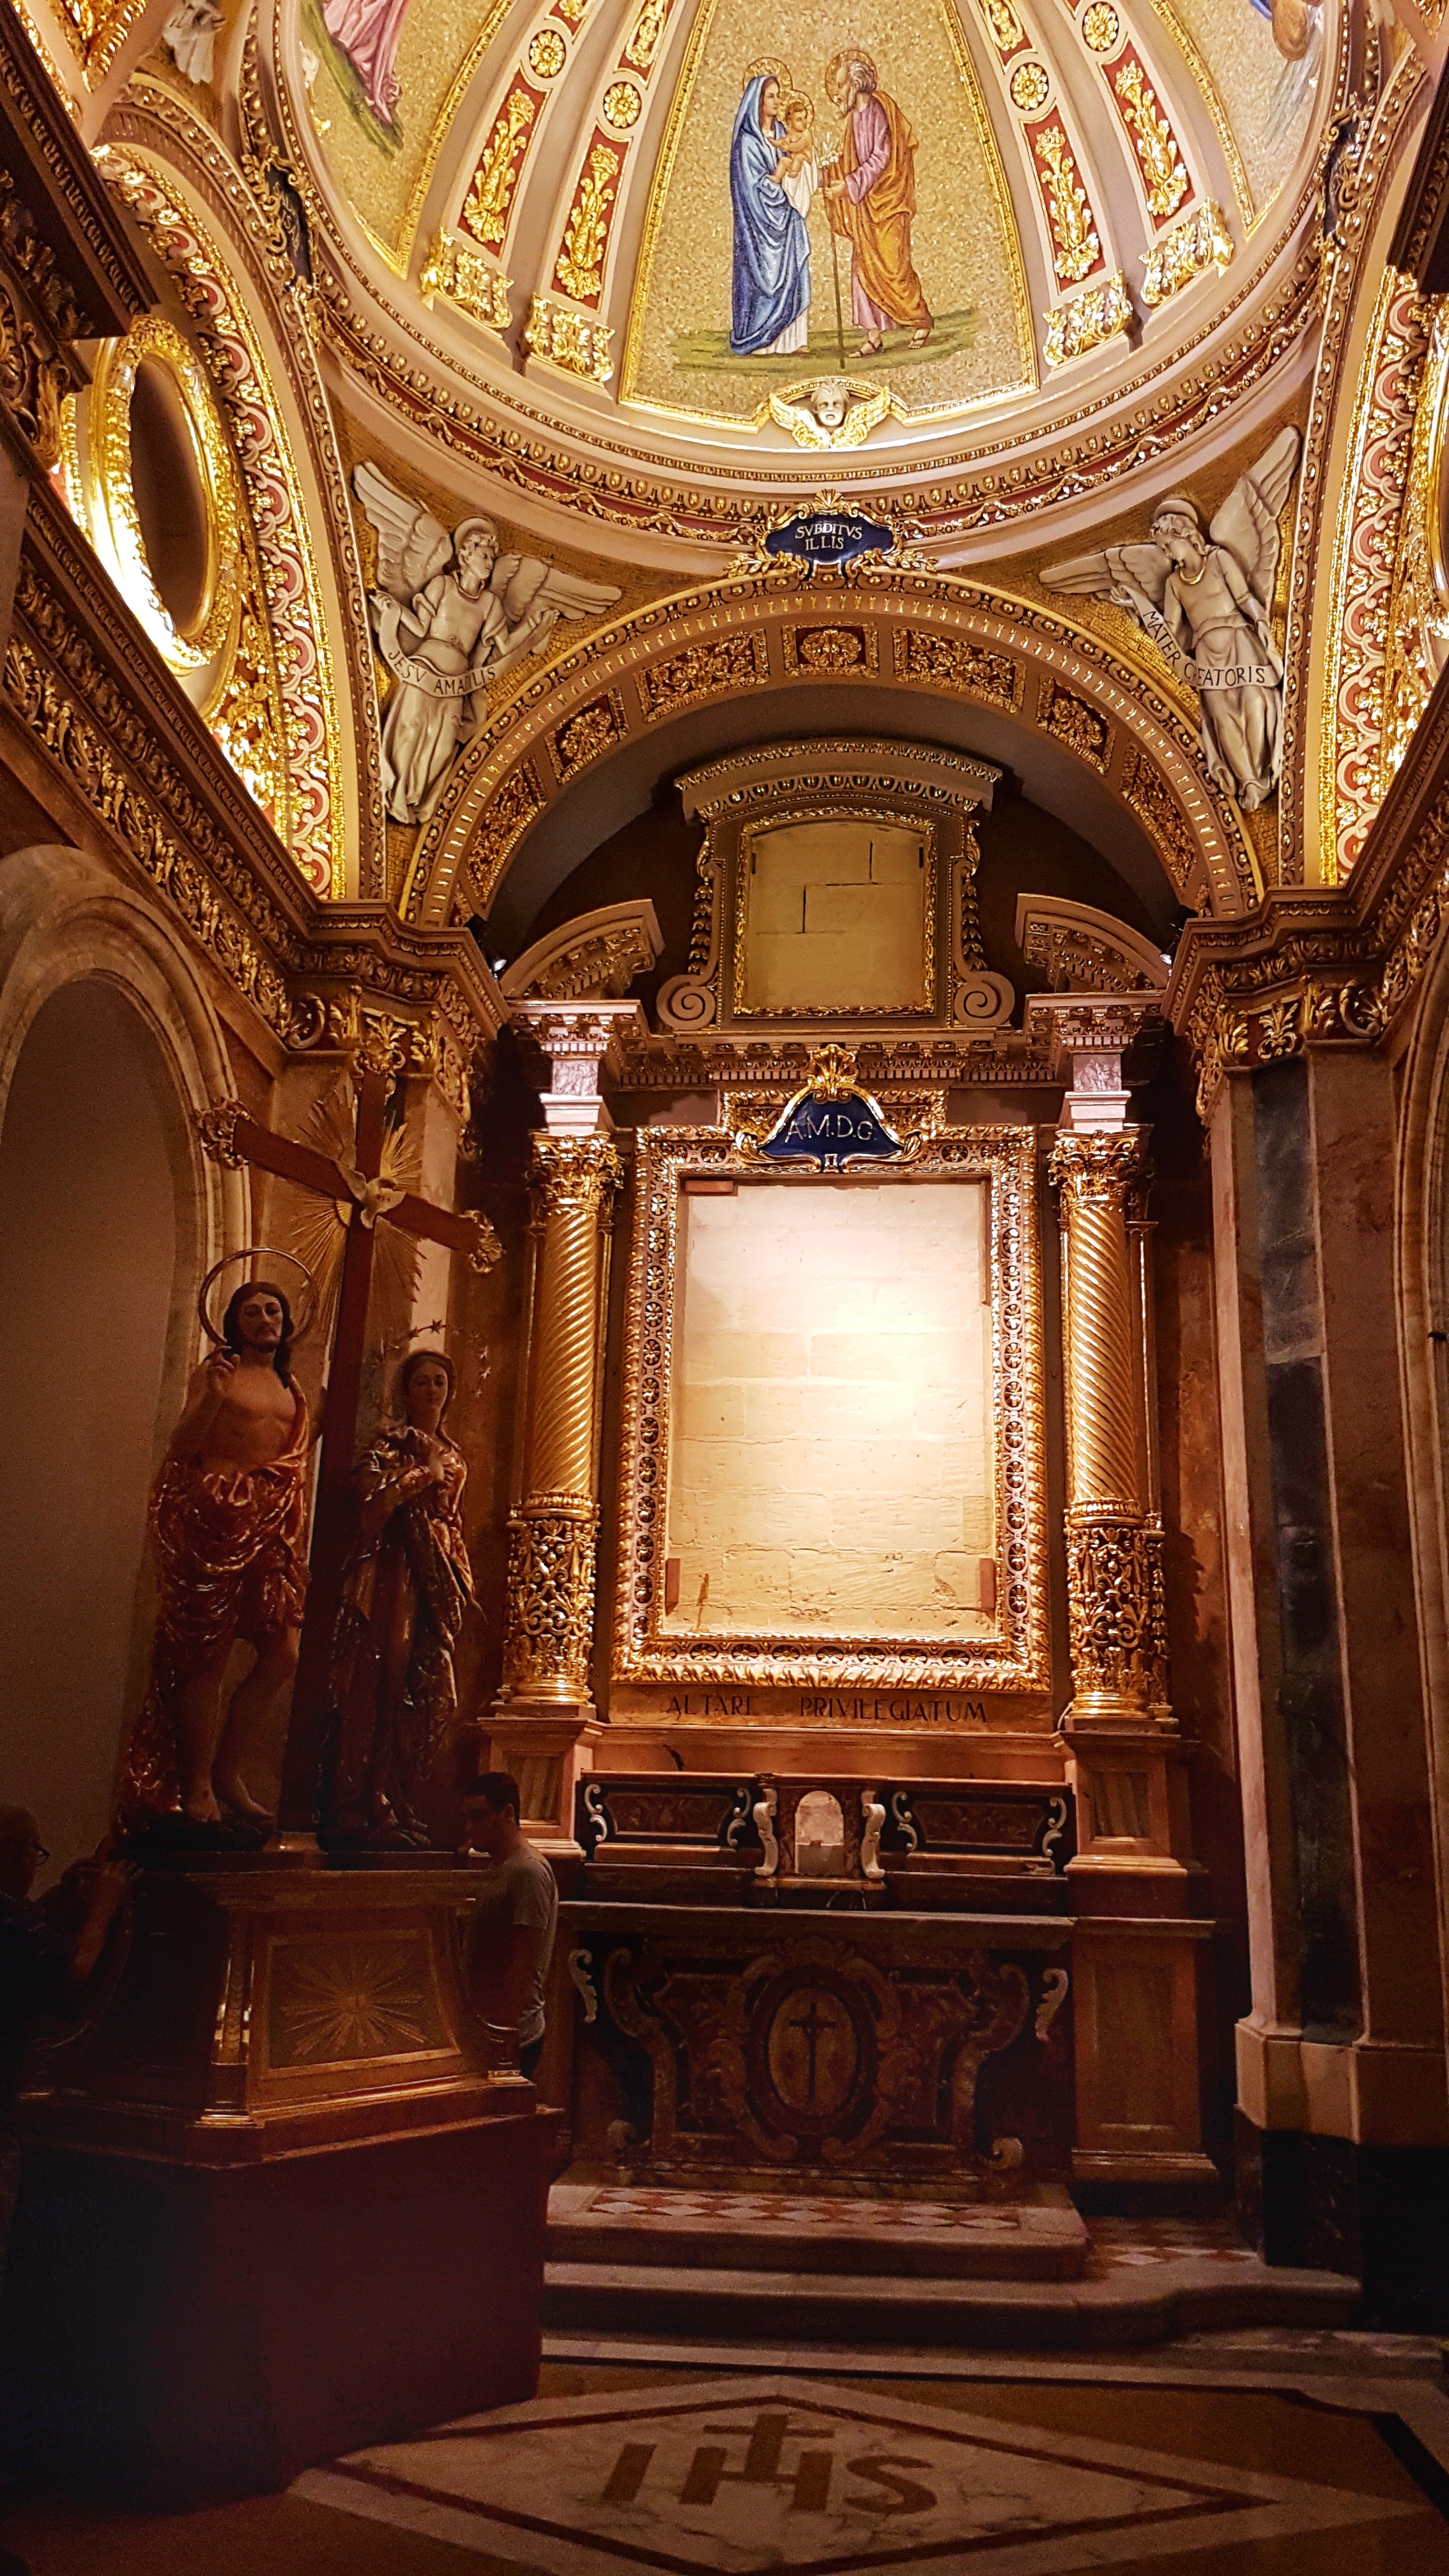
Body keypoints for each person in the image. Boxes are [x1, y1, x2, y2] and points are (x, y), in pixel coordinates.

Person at [119, 1281, 310, 1833]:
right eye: (251, 1312)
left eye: (272, 1310)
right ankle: (197, 1784)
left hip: (269, 1527)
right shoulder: (217, 1373)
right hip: (217, 1518)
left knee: (283, 1654)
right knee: (209, 1657)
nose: (264, 1319)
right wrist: (213, 1399)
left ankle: (229, 1772)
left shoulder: (292, 1385)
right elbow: (183, 1445)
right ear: (234, 1323)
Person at [319, 1349, 474, 1850]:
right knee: (379, 1680)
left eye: (440, 1382)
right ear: (405, 1390)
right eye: (422, 1382)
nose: (432, 1391)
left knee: (423, 1691)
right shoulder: (388, 1445)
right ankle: (363, 1802)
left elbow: (452, 1517)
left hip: (437, 1573)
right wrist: (423, 1472)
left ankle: (402, 1798)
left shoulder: (454, 1453)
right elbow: (371, 1506)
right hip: (393, 1571)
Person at [822, 52, 931, 358]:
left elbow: (883, 158)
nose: (837, 93)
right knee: (862, 267)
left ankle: (920, 320)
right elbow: (848, 161)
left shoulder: (880, 109)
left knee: (895, 267)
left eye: (841, 85)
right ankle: (873, 334)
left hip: (888, 201)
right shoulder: (854, 120)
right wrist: (822, 176)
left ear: (856, 84)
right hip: (866, 207)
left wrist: (849, 185)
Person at [463, 1775, 558, 2080]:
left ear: (507, 1813)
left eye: (478, 1816)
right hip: (491, 2030)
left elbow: (524, 1964)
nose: (469, 1828)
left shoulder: (528, 1871)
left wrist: (501, 2035)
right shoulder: (501, 1868)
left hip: (511, 2036)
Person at [730, 68, 813, 357]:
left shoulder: (782, 133)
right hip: (759, 226)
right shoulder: (747, 142)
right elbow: (750, 188)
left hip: (785, 220)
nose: (777, 102)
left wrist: (799, 175)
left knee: (795, 263)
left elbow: (797, 162)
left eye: (778, 96)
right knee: (763, 274)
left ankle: (792, 341)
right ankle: (759, 340)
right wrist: (779, 185)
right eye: (771, 97)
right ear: (758, 100)